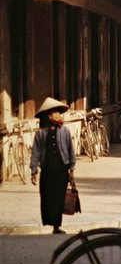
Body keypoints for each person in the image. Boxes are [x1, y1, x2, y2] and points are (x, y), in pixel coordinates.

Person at [30, 98, 76, 234]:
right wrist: (34, 171)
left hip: (62, 168)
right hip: (47, 169)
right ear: (48, 116)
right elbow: (36, 152)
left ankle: (56, 226)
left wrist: (72, 168)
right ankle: (49, 220)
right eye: (55, 113)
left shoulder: (65, 131)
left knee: (59, 197)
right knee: (47, 196)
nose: (58, 115)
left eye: (58, 113)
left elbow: (70, 149)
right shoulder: (41, 133)